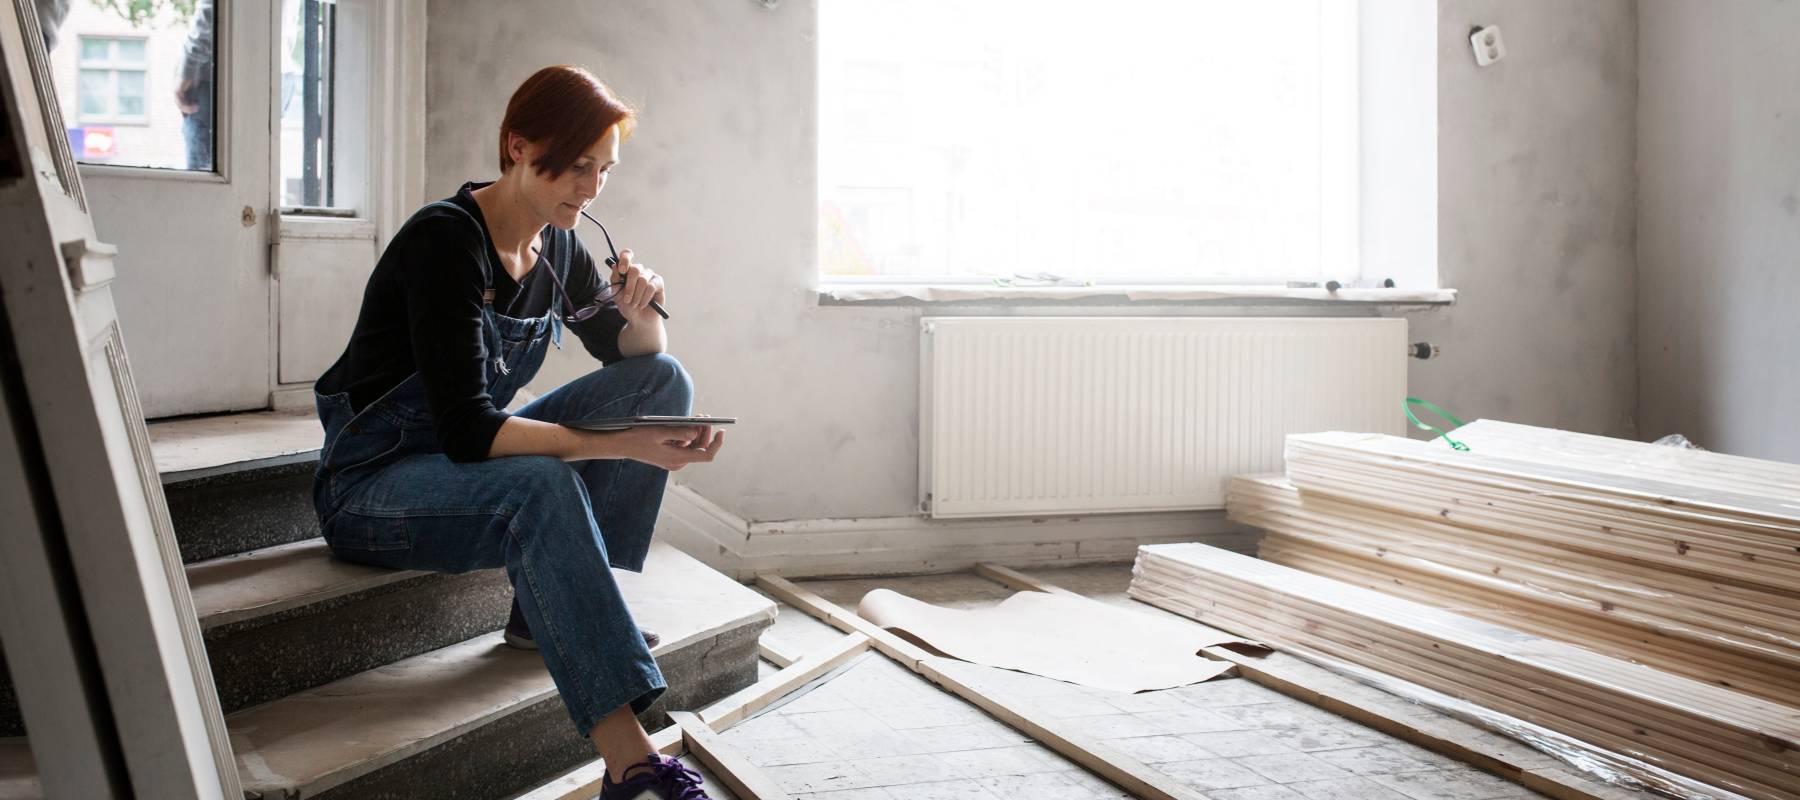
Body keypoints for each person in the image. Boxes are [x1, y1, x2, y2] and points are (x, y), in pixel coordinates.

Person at [310, 65, 724, 799]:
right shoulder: (446, 242)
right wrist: (619, 445)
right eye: (576, 166)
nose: (591, 188)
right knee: (542, 483)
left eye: (604, 170)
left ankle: (564, 611)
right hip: (374, 484)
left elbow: (633, 360)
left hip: (465, 460)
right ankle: (632, 768)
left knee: (664, 384)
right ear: (519, 147)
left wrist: (642, 312)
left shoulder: (557, 246)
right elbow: (470, 431)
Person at [174, 0, 213, 171]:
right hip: (279, 72)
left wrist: (186, 74)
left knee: (204, 179)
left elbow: (211, 13)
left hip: (211, 82)